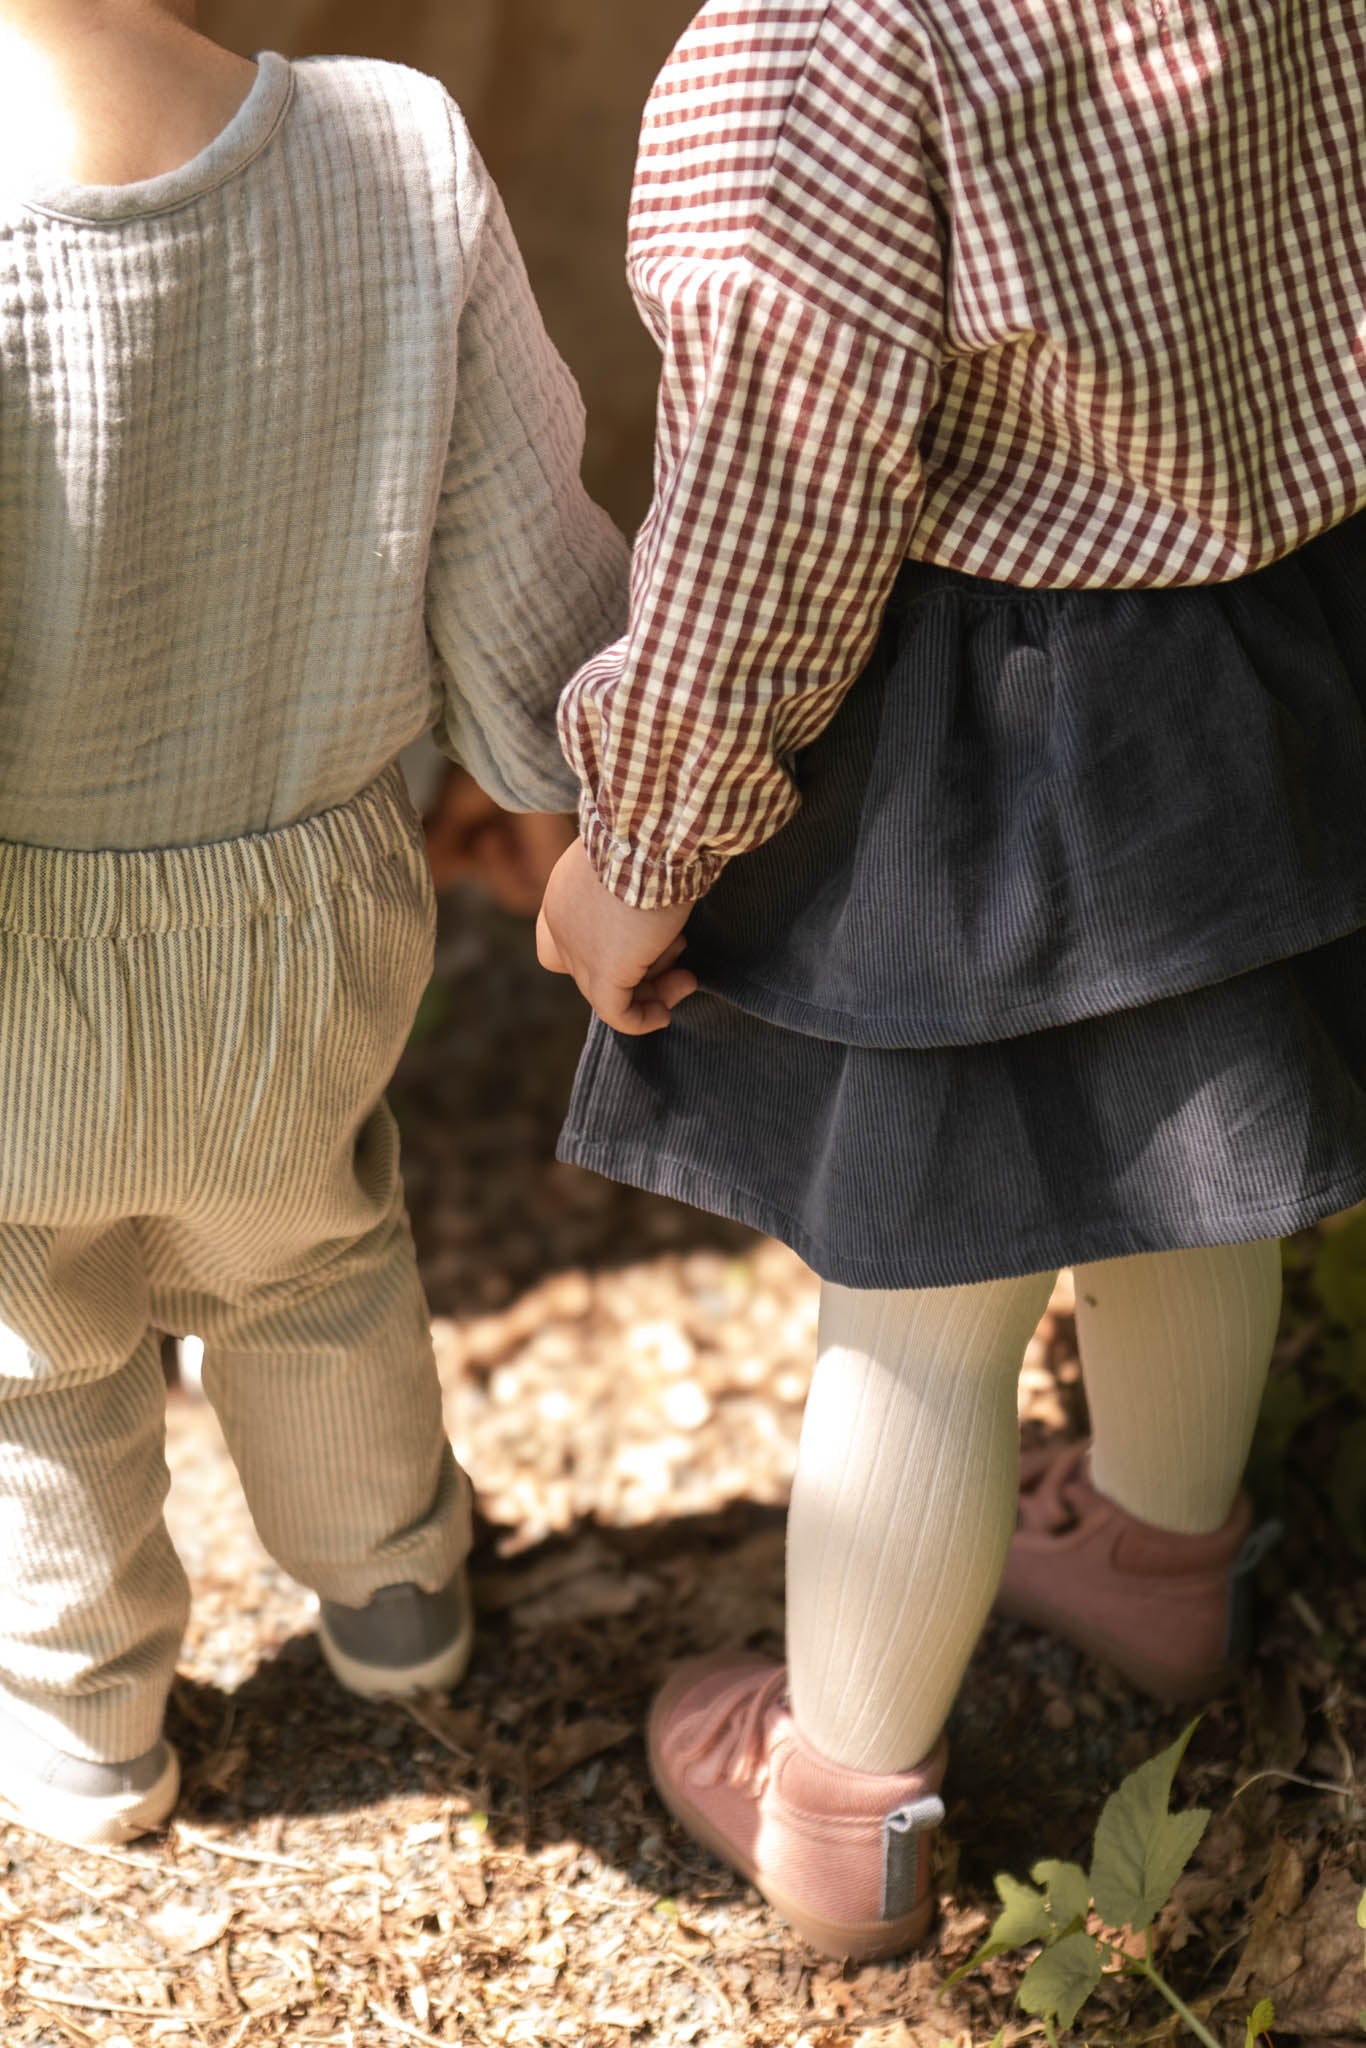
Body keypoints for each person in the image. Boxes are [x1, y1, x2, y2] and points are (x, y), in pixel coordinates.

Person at [537, 0, 1366, 1962]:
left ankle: (838, 1810)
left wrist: (638, 844)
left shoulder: (821, 45)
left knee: (920, 1292)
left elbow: (768, 511)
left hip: (976, 730)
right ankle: (1163, 1566)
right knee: (1187, 1163)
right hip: (1248, 651)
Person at [0, 0, 627, 1846]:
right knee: (312, 1260)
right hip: (302, 935)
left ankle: (85, 1725)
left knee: (31, 1341)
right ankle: (394, 1596)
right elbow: (526, 553)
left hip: (13, 977)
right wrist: (554, 793)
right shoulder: (392, 154)